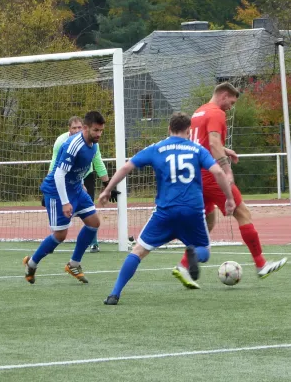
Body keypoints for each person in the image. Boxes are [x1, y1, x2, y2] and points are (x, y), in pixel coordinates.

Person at [99, 112, 235, 305]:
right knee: (203, 249)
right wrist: (229, 198)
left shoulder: (157, 148)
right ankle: (194, 254)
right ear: (189, 130)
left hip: (166, 212)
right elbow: (218, 172)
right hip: (192, 211)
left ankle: (114, 294)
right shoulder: (197, 149)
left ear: (169, 129)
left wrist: (108, 190)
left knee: (138, 251)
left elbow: (125, 168)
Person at [173, 82, 287, 288]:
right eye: (231, 102)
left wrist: (225, 150)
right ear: (224, 95)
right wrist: (226, 170)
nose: (231, 107)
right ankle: (261, 264)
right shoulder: (217, 113)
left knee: (208, 221)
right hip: (211, 174)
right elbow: (214, 144)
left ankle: (182, 266)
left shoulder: (198, 112)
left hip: (195, 174)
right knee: (242, 213)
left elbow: (202, 143)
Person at [24, 111, 110, 284]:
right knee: (60, 235)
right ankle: (31, 263)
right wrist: (65, 202)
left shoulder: (93, 144)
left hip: (76, 188)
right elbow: (59, 174)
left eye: (101, 130)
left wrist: (83, 183)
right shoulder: (73, 145)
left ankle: (74, 263)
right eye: (96, 130)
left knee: (94, 223)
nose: (99, 134)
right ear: (85, 128)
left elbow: (83, 166)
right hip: (57, 190)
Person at [47, 116, 113, 253]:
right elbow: (56, 166)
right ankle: (46, 248)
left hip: (85, 176)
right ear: (69, 129)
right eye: (74, 128)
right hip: (64, 179)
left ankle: (92, 244)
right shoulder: (62, 142)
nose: (77, 130)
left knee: (91, 215)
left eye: (79, 127)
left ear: (83, 127)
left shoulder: (93, 142)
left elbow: (98, 162)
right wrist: (51, 184)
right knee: (61, 231)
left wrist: (107, 183)